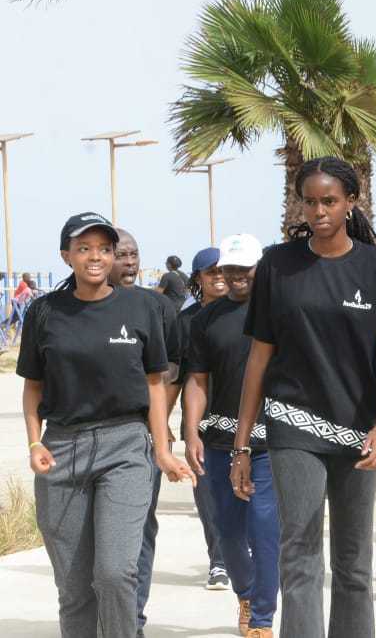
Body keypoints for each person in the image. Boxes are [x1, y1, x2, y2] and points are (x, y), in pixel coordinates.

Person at [230, 156, 376, 638]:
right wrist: (242, 444)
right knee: (300, 552)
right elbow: (259, 358)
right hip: (293, 425)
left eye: (329, 201)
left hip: (360, 430)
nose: (319, 211)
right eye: (309, 202)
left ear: (351, 201)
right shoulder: (277, 264)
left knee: (353, 559)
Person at [18, 212, 194, 637]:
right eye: (84, 248)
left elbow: (155, 384)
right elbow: (32, 389)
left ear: (113, 255)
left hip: (125, 446)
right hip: (61, 451)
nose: (95, 256)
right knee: (74, 587)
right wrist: (34, 443)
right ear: (67, 256)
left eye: (103, 248)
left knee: (115, 573)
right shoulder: (44, 312)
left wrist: (162, 450)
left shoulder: (142, 307)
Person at [184, 234, 279, 638]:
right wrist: (191, 431)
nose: (238, 275)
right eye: (231, 268)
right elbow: (197, 380)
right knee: (226, 529)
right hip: (220, 439)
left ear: (261, 269)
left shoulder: (280, 311)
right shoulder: (205, 319)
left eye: (246, 268)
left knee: (264, 526)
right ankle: (246, 595)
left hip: (270, 440)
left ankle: (261, 618)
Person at [109, 228, 183, 638]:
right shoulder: (78, 307)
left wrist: (160, 423)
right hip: (91, 436)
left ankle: (132, 620)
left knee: (138, 528)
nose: (130, 262)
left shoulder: (157, 306)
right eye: (121, 254)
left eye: (134, 254)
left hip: (143, 434)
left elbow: (173, 366)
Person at [170, 247, 229, 592]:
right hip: (201, 427)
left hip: (245, 425)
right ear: (198, 279)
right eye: (211, 272)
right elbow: (176, 378)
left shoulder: (250, 315)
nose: (219, 276)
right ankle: (218, 561)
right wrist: (162, 423)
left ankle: (241, 553)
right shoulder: (185, 322)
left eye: (223, 269)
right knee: (209, 500)